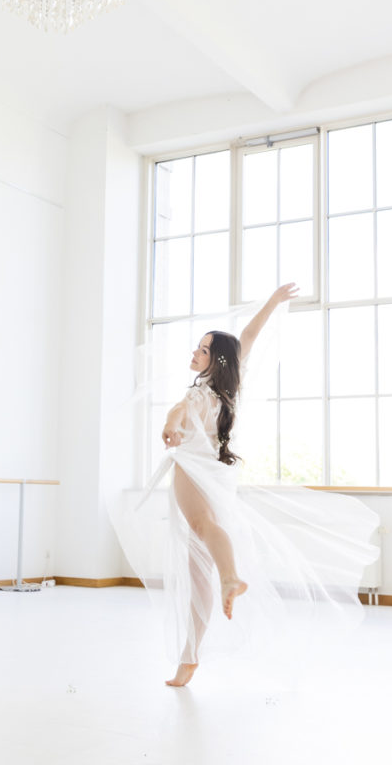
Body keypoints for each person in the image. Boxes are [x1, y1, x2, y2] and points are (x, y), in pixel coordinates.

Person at [160, 283, 298, 686]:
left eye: (201, 350)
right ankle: (190, 658)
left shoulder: (201, 392)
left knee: (203, 531)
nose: (194, 353)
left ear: (215, 360)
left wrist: (170, 424)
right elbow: (248, 339)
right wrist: (271, 302)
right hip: (219, 477)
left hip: (194, 469)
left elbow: (180, 408)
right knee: (199, 562)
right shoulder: (228, 390)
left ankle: (230, 576)